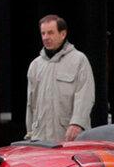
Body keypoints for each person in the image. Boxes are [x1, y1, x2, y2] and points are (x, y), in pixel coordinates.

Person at [25, 14, 95, 142]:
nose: (46, 37)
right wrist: (30, 132)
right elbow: (31, 103)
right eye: (43, 33)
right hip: (41, 138)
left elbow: (85, 96)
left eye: (50, 33)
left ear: (63, 34)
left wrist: (77, 124)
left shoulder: (78, 60)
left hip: (69, 136)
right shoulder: (35, 65)